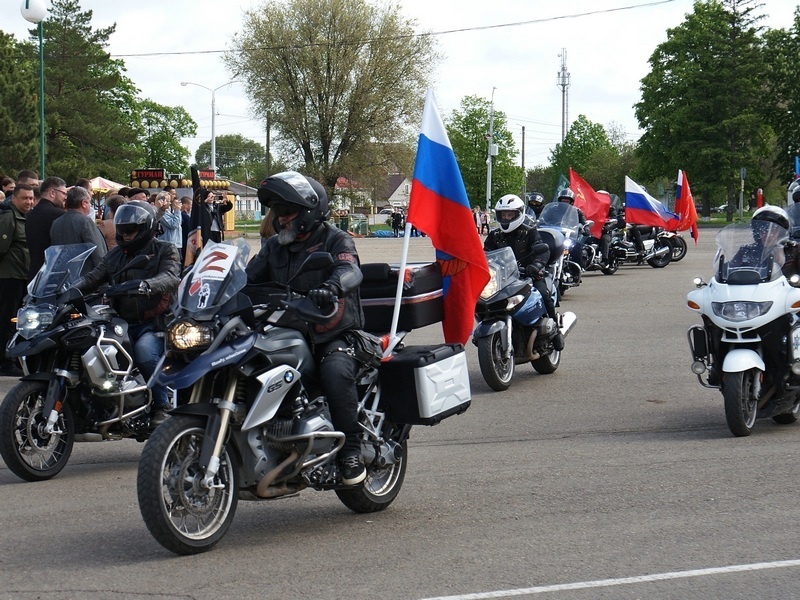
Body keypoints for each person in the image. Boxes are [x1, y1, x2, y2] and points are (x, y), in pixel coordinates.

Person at [245, 171, 368, 485]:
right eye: (276, 212)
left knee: (335, 371)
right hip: (285, 328)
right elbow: (247, 279)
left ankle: (350, 451)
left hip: (331, 331)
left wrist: (332, 285)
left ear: (309, 211)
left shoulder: (335, 239)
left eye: (286, 212)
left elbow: (350, 270)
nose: (280, 219)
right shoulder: (274, 247)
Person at [74, 200, 181, 425]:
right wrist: (69, 289)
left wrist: (147, 285)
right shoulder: (116, 255)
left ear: (145, 228)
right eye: (123, 230)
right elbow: (94, 276)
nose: (127, 235)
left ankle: (162, 404)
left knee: (144, 351)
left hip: (155, 323)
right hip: (120, 322)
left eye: (131, 230)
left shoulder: (164, 250)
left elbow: (171, 276)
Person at [484, 193, 564, 350]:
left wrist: (536, 266)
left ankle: (555, 331)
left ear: (519, 214)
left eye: (510, 214)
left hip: (528, 274)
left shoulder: (529, 232)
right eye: (503, 215)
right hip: (504, 278)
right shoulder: (495, 236)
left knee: (543, 293)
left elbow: (542, 250)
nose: (506, 218)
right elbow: (485, 253)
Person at [0, 184, 35, 376]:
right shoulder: (9, 217)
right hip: (9, 276)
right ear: (14, 199)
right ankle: (5, 361)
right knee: (8, 319)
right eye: (24, 198)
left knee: (17, 320)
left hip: (21, 275)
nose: (29, 202)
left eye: (31, 198)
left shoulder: (24, 217)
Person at [50, 186, 107, 273]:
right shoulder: (85, 222)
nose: (90, 206)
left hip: (64, 277)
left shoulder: (56, 223)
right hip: (86, 277)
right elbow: (98, 254)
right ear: (83, 203)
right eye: (89, 202)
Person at [25, 176, 67, 280]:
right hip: (51, 276)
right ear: (52, 193)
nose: (65, 197)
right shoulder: (59, 215)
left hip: (34, 274)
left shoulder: (30, 214)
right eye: (63, 193)